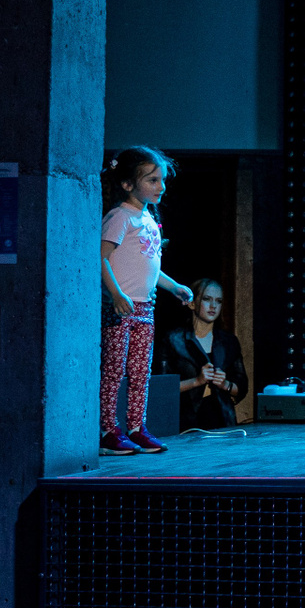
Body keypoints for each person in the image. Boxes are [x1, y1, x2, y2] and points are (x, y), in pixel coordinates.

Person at [99, 146, 194, 455]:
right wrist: (116, 293)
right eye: (152, 180)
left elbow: (149, 265)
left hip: (145, 309)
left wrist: (174, 286)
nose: (160, 186)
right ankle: (107, 430)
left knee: (140, 372)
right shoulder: (120, 217)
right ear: (128, 184)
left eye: (162, 180)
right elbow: (101, 257)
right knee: (114, 371)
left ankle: (136, 427)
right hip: (121, 308)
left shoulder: (149, 218)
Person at [153, 278, 248, 431]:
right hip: (185, 423)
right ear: (192, 304)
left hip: (222, 422)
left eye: (218, 301)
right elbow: (161, 388)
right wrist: (197, 381)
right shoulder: (173, 340)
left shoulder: (228, 342)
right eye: (207, 299)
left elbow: (242, 386)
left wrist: (225, 384)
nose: (213, 306)